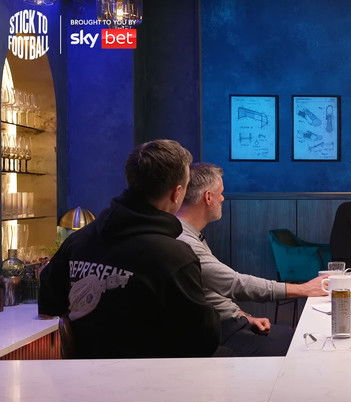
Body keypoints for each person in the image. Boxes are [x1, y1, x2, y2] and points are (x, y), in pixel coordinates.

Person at [38, 139, 220, 358]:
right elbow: (203, 339)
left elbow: (48, 302)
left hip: (83, 373)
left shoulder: (78, 240)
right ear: (177, 193)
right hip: (153, 375)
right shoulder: (175, 257)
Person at [176, 163, 327, 357]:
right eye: (220, 193)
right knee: (305, 346)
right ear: (208, 197)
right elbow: (235, 284)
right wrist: (303, 289)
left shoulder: (190, 234)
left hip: (229, 323)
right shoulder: (184, 241)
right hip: (216, 333)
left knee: (299, 338)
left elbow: (209, 291)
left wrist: (243, 316)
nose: (223, 198)